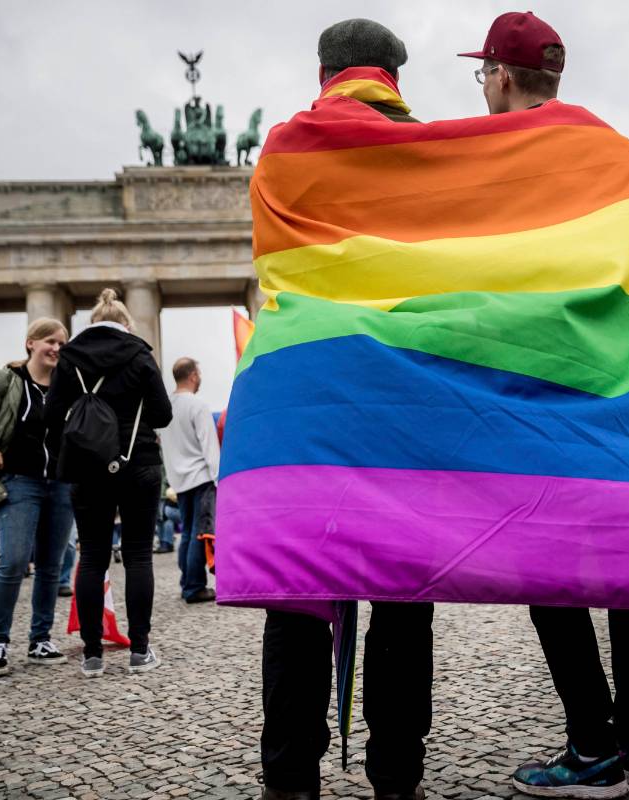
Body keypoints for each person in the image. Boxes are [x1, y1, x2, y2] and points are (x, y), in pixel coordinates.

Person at [459, 13, 629, 797]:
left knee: (547, 571)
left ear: (502, 77)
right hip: (620, 398)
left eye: (482, 74)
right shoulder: (615, 153)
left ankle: (592, 746)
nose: (482, 87)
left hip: (541, 403)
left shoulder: (496, 161)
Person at [251, 20, 435, 800]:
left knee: (300, 600)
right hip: (405, 396)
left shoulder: (284, 150)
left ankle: (291, 775)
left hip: (305, 394)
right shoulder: (435, 149)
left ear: (323, 70)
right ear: (396, 73)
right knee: (402, 602)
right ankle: (396, 773)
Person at [45, 288, 173, 677]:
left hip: (88, 466)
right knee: (137, 555)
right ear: (126, 323)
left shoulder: (69, 359)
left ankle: (92, 655)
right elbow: (163, 414)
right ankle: (140, 650)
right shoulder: (140, 355)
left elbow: (51, 416)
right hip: (140, 463)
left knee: (93, 558)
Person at [0, 317, 75, 675]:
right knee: (14, 562)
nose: (56, 349)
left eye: (62, 344)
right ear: (30, 343)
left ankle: (40, 640)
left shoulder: (67, 385)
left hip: (61, 484)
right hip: (19, 482)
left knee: (52, 567)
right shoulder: (8, 380)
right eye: (50, 341)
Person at [158, 357, 219, 604]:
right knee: (200, 532)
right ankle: (194, 586)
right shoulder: (197, 405)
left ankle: (186, 582)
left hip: (179, 478)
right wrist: (218, 478)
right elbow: (209, 445)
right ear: (193, 375)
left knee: (186, 534)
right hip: (202, 476)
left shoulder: (166, 405)